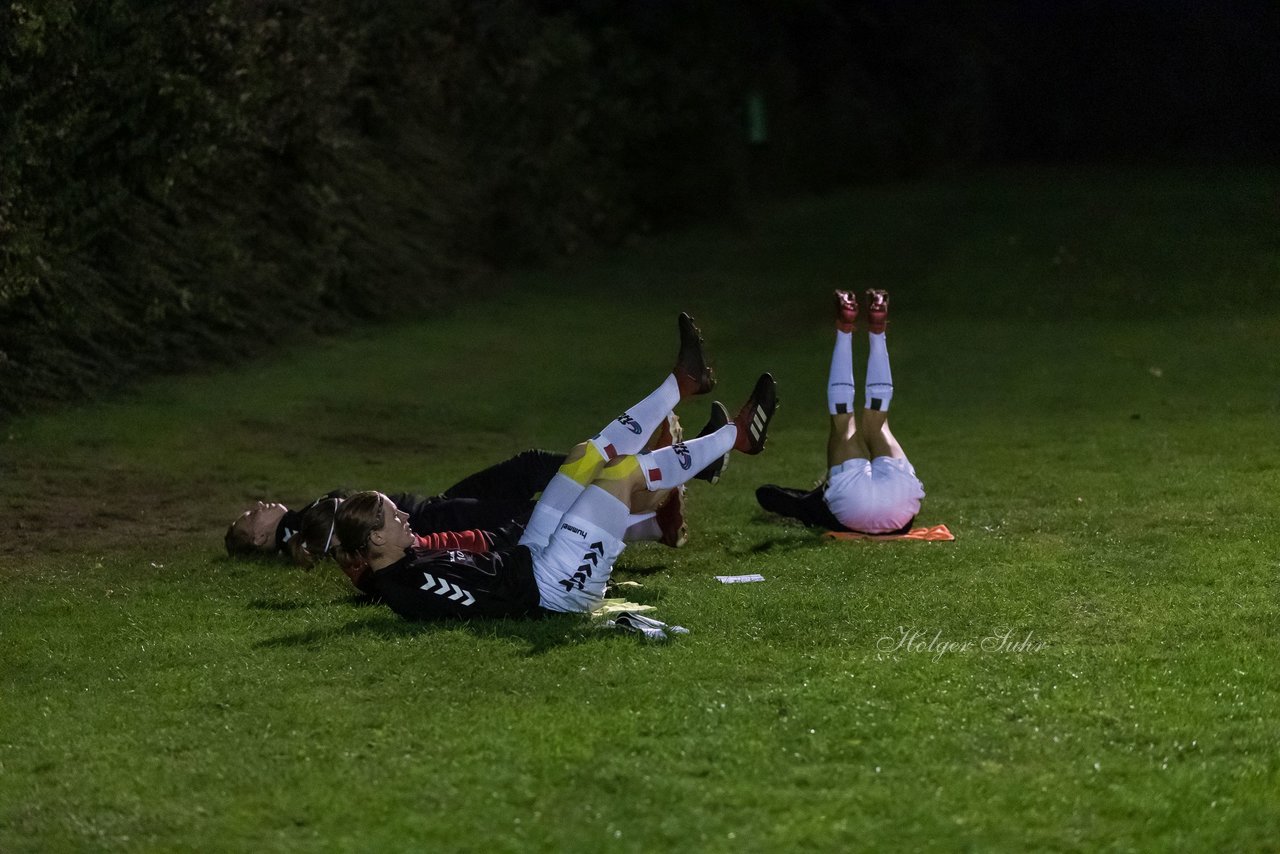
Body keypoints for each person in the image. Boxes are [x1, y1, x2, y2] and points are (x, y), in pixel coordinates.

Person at [334, 313, 778, 620]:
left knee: (585, 455)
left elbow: (480, 568)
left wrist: (525, 534)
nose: (406, 515)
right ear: (376, 537)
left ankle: (683, 383)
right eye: (394, 517)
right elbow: (481, 600)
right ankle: (735, 437)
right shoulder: (405, 585)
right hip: (551, 587)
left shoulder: (405, 560)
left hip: (529, 552)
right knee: (620, 477)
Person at [756, 290, 924, 534]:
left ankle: (852, 329)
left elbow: (767, 495)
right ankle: (867, 330)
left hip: (863, 505)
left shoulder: (823, 504)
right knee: (857, 421)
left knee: (857, 425)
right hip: (897, 505)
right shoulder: (823, 501)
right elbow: (773, 496)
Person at [223, 449, 565, 560]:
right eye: (251, 516)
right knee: (531, 511)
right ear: (257, 538)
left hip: (435, 507)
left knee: (529, 469)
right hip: (432, 521)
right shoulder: (307, 530)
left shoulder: (305, 518)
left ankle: (612, 473)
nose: (258, 505)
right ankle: (614, 493)